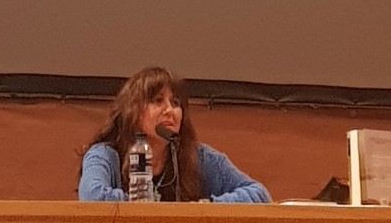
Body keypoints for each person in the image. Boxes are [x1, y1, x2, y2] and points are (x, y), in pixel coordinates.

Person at [78, 66, 271, 202]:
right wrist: (144, 207)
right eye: (157, 101)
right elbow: (93, 196)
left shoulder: (198, 156)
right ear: (133, 112)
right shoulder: (105, 154)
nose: (170, 110)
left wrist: (208, 207)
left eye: (175, 103)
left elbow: (259, 194)